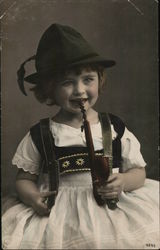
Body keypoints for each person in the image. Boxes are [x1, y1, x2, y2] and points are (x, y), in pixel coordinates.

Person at [2, 23, 159, 249]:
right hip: (59, 215)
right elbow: (23, 179)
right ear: (50, 89)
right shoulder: (42, 133)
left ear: (99, 79)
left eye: (88, 79)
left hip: (110, 211)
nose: (79, 90)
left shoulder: (112, 127)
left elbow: (138, 172)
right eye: (67, 82)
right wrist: (32, 197)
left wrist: (123, 181)